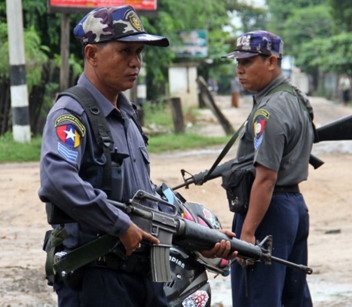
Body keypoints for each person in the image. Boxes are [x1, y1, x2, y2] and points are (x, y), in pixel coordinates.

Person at [38, 6, 235, 306]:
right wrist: (119, 225)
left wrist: (201, 240)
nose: (136, 62)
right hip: (97, 278)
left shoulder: (126, 116)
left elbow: (142, 200)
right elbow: (58, 179)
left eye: (139, 52)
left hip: (142, 276)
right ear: (91, 54)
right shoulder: (72, 114)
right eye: (125, 51)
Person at [222, 30, 314, 307]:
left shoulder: (269, 110)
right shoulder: (296, 98)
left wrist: (248, 233)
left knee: (257, 296)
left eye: (248, 62)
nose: (240, 69)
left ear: (271, 62)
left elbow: (265, 177)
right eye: (237, 62)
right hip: (292, 206)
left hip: (267, 210)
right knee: (292, 296)